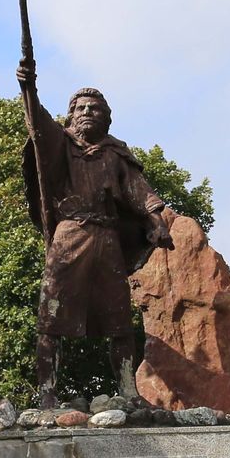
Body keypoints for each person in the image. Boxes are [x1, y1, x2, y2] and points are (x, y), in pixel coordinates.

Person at [17, 62, 174, 408]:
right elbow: (36, 121)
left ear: (106, 117)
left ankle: (129, 392)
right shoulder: (60, 143)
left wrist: (155, 218)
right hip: (69, 236)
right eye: (81, 107)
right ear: (71, 115)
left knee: (119, 320)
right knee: (51, 317)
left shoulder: (115, 153)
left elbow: (138, 189)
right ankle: (47, 394)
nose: (88, 112)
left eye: (95, 108)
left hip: (107, 240)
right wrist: (28, 87)